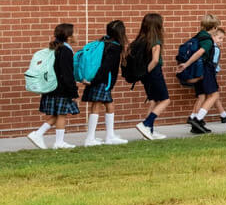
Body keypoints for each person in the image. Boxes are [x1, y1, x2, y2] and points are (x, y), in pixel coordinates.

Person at [27, 22, 79, 150]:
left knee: (58, 114)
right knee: (61, 114)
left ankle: (38, 134)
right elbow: (67, 74)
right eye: (75, 33)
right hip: (61, 89)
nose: (77, 35)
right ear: (68, 36)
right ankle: (58, 142)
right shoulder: (66, 51)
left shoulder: (55, 49)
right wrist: (74, 92)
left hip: (52, 87)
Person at [80, 19, 128, 147]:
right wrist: (94, 81)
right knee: (96, 105)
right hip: (101, 81)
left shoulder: (103, 42)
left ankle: (110, 136)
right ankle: (90, 139)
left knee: (109, 105)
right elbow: (106, 67)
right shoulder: (115, 47)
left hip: (97, 79)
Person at [180, 13, 221, 133]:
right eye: (216, 28)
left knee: (202, 94)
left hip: (197, 70)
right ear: (213, 28)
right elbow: (199, 53)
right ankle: (197, 119)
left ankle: (195, 127)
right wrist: (186, 64)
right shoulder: (207, 40)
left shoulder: (198, 36)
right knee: (214, 95)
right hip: (206, 69)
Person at [131, 12, 170, 140]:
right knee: (165, 100)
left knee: (153, 100)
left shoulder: (141, 39)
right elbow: (154, 60)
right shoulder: (155, 41)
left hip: (145, 76)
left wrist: (142, 74)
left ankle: (149, 131)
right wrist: (147, 72)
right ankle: (146, 124)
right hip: (154, 73)